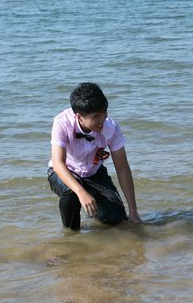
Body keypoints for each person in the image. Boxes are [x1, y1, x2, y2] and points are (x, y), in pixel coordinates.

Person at [47, 82, 142, 230]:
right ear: (79, 117)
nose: (102, 120)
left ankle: (94, 217)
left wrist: (133, 211)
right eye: (96, 116)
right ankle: (71, 234)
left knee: (116, 218)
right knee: (71, 193)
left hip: (94, 172)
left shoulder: (111, 127)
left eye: (104, 113)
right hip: (64, 172)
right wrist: (81, 192)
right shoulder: (62, 122)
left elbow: (123, 169)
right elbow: (58, 164)